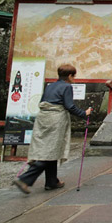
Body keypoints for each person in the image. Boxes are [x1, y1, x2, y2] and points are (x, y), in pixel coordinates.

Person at [13, 64, 92, 194]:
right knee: (50, 151)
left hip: (43, 118)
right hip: (56, 120)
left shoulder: (50, 86)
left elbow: (44, 101)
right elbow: (69, 106)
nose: (74, 78)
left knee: (50, 149)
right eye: (74, 76)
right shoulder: (67, 87)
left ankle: (51, 181)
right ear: (70, 76)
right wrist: (84, 113)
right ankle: (24, 179)